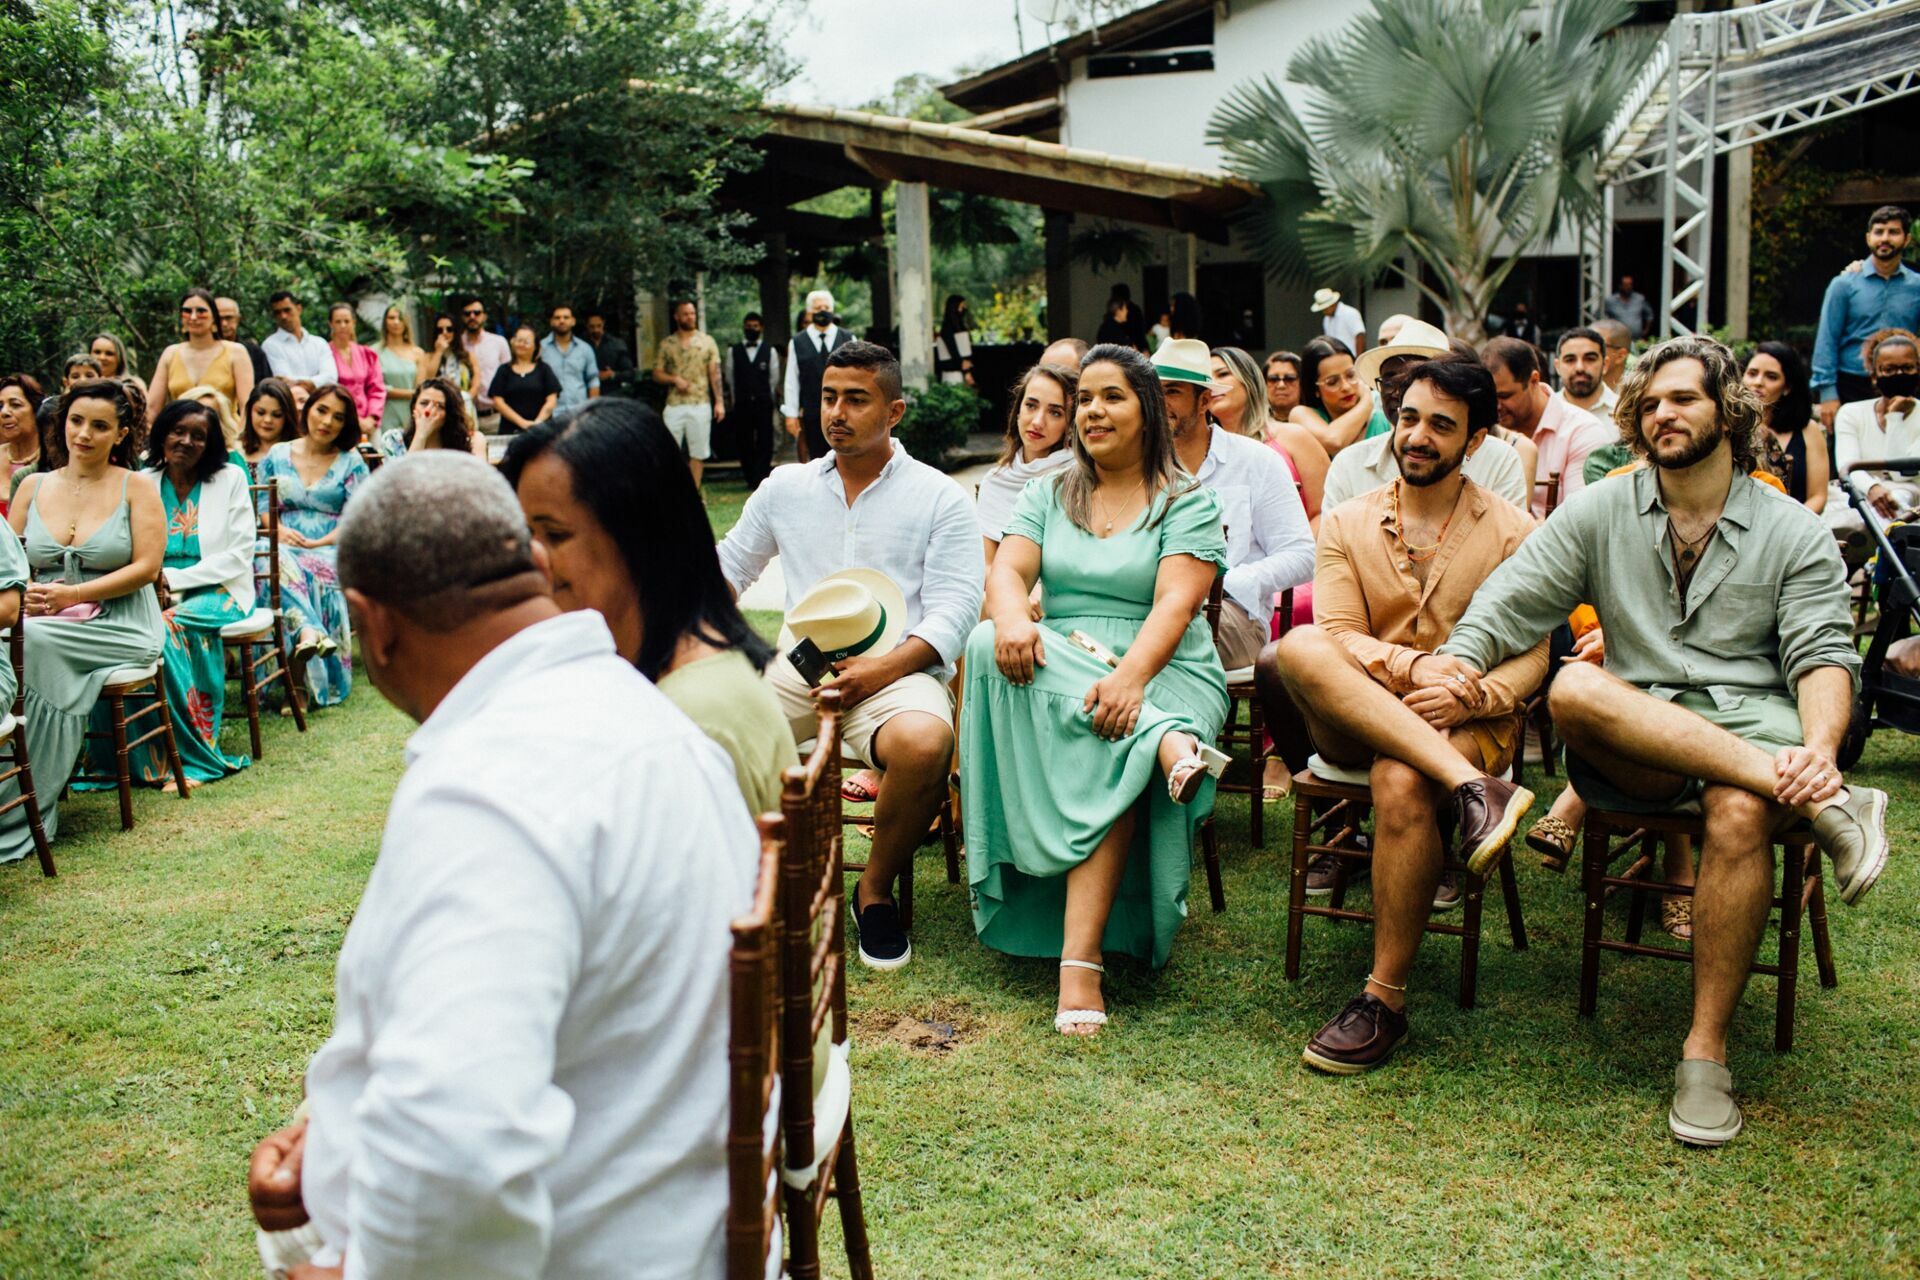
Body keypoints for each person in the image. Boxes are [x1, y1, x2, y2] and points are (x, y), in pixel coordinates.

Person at [248, 453, 755, 1278]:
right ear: (537, 565)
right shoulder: (642, 716)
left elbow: (459, 1143)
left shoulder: (493, 790)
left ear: (371, 623)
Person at [1437, 335, 1887, 1147]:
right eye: (1649, 404)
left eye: (1682, 398)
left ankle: (1705, 1054)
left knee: (1744, 813)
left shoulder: (1792, 529)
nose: (1662, 414)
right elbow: (1512, 600)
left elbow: (1823, 653)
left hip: (1757, 724)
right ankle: (1835, 807)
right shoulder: (1603, 506)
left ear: (1731, 410)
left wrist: (1817, 752)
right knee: (1574, 684)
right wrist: (1458, 664)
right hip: (1633, 744)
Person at [1257, 358, 1544, 1071]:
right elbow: (1341, 636)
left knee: (1400, 777)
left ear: (1476, 442)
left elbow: (1536, 655)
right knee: (1297, 646)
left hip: (1468, 716)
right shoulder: (1347, 522)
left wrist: (1474, 694)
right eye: (1409, 419)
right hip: (1359, 712)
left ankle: (1382, 1000)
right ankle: (1476, 791)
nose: (1417, 436)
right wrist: (1415, 667)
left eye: (1441, 426)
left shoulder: (1514, 531)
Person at [961, 342, 1228, 1035]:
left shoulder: (1186, 501)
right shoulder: (1047, 492)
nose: (1092, 411)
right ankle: (1166, 743)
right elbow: (1007, 574)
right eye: (1085, 398)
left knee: (1107, 727)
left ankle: (1080, 964)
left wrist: (1131, 680)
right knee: (987, 642)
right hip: (1065, 662)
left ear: (1148, 411)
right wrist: (1016, 616)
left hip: (1160, 665)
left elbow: (1175, 607)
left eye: (1112, 396)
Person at [717, 341, 982, 971]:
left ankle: (874, 892)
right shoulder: (786, 487)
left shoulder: (939, 496)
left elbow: (955, 609)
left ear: (894, 411)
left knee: (923, 743)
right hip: (800, 663)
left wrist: (882, 670)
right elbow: (727, 568)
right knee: (709, 726)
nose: (836, 412)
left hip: (899, 668)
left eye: (856, 400)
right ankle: (745, 881)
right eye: (829, 398)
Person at [502, 400, 798, 816]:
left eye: (555, 534)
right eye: (526, 532)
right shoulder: (656, 669)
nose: (533, 557)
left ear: (638, 538)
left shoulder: (688, 723)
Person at [0, 379, 165, 861]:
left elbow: (147, 568)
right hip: (46, 617)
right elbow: (10, 562)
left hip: (120, 623)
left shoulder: (137, 487)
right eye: (76, 421)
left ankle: (23, 808)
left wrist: (72, 593)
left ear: (121, 433)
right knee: (18, 636)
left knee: (31, 644)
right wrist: (28, 592)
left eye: (99, 426)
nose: (84, 434)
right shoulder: (32, 485)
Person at [99, 399, 253, 787]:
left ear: (211, 444)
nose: (185, 441)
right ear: (161, 434)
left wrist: (171, 580)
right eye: (177, 431)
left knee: (168, 627)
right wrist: (152, 581)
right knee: (115, 627)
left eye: (198, 436)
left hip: (219, 590)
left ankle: (194, 754)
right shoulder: (142, 481)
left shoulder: (230, 478)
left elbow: (239, 554)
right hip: (150, 587)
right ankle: (138, 757)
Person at [1154, 340, 1313, 673]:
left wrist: (1230, 583)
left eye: (1171, 392)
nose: (1158, 403)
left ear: (1204, 400)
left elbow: (1302, 555)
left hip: (1232, 616)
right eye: (1152, 392)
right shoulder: (1138, 466)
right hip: (1148, 609)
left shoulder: (1256, 460)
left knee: (1159, 635)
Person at [258, 385, 368, 707]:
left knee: (291, 566)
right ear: (307, 410)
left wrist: (320, 540)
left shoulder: (351, 462)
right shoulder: (277, 455)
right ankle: (308, 633)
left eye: (338, 417)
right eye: (322, 410)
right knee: (266, 560)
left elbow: (357, 516)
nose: (327, 421)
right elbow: (264, 504)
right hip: (282, 543)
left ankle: (301, 684)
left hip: (330, 548)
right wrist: (277, 531)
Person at [1812, 206, 1920, 428]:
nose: (1885, 238)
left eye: (1893, 232)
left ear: (1907, 238)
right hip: (1851, 383)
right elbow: (1827, 339)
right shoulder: (1844, 284)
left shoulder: (1917, 286)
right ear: (1868, 237)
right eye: (1879, 232)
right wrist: (1828, 393)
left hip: (1903, 381)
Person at [1482, 336, 1611, 518]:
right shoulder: (1483, 429)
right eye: (1490, 397)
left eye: (1504, 396)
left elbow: (1581, 520)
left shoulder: (1583, 431)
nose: (1496, 405)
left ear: (1534, 380)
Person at [1210, 346, 1327, 530]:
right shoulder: (1206, 454)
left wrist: (1299, 555)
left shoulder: (1294, 437)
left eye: (1222, 374)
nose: (1213, 385)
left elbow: (1324, 511)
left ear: (1249, 380)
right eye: (1207, 379)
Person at [976, 362, 1078, 569]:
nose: (1038, 421)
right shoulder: (995, 481)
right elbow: (986, 565)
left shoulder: (1080, 477)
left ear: (1070, 425)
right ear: (1018, 410)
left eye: (1055, 412)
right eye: (1031, 405)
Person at [1831, 328, 1920, 523]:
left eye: (1907, 368)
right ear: (1874, 375)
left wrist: (1895, 416)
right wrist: (1872, 488)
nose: (1898, 375)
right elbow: (1847, 465)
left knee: (1897, 505)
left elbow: (1900, 474)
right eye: (1888, 370)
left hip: (1908, 500)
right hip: (1859, 494)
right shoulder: (1850, 413)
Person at [146, 287, 254, 425]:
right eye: (187, 311)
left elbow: (247, 405)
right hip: (180, 434)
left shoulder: (236, 352)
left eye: (201, 311)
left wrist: (243, 440)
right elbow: (152, 408)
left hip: (226, 436)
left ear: (214, 317)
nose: (193, 317)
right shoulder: (170, 353)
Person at [1746, 341, 1827, 513]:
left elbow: (1818, 496)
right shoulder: (1726, 427)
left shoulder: (1808, 430)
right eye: (1752, 373)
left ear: (1787, 387)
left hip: (1797, 526)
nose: (1758, 382)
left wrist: (1791, 526)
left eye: (1771, 377)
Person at [652, 299, 724, 490]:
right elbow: (657, 373)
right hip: (675, 404)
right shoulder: (667, 344)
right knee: (669, 451)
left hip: (700, 402)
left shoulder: (707, 342)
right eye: (685, 313)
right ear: (677, 316)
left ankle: (694, 491)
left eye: (692, 313)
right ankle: (674, 492)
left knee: (698, 452)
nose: (690, 317)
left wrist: (719, 402)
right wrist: (674, 379)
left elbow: (714, 373)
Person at [782, 289, 852, 463]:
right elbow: (792, 380)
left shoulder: (848, 338)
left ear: (832, 310)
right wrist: (790, 414)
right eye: (817, 307)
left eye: (826, 307)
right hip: (813, 411)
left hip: (844, 409)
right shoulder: (797, 342)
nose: (822, 310)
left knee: (844, 453)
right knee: (816, 457)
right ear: (809, 312)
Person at [1355, 318, 1451, 440]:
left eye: (1408, 381)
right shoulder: (1356, 457)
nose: (1396, 392)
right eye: (1388, 382)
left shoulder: (1476, 455)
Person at [1290, 336, 1376, 456]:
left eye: (1351, 375)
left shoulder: (1381, 407)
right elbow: (1334, 441)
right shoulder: (1301, 414)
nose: (1346, 387)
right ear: (1315, 389)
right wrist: (1367, 402)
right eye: (1332, 382)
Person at [725, 311, 781, 490]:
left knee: (765, 440)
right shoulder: (733, 351)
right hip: (742, 403)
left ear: (761, 328)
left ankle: (761, 477)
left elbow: (773, 378)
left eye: (755, 327)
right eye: (749, 327)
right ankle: (749, 478)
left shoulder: (769, 351)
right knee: (744, 440)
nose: (752, 329)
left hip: (763, 403)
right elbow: (730, 378)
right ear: (744, 328)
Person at [489, 324, 562, 436]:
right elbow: (498, 402)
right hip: (509, 431)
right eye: (519, 340)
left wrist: (537, 423)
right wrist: (522, 423)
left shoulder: (544, 369)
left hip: (541, 431)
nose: (521, 344)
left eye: (526, 341)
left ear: (536, 346)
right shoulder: (504, 370)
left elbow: (551, 400)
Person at [324, 302, 386, 430]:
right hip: (337, 421)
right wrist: (353, 420)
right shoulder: (324, 353)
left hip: (368, 423)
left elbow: (377, 388)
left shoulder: (366, 353)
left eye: (347, 321)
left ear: (353, 323)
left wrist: (371, 418)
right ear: (330, 324)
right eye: (338, 321)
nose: (343, 326)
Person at [389, 377, 484, 459]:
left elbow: (478, 477)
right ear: (414, 407)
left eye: (440, 406)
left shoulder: (473, 439)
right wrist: (421, 435)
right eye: (424, 403)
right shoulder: (394, 438)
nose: (428, 411)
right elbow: (405, 477)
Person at [459, 296, 513, 432]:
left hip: (494, 416)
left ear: (484, 316)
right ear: (462, 317)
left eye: (477, 313)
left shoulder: (499, 343)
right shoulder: (456, 345)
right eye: (467, 313)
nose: (472, 317)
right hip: (463, 417)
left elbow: (509, 377)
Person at [261, 292, 338, 384]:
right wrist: (318, 381)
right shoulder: (270, 345)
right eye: (277, 313)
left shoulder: (319, 343)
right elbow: (283, 381)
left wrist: (299, 382)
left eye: (287, 310)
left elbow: (331, 378)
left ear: (299, 309)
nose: (283, 316)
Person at [374, 305, 423, 439]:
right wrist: (410, 393)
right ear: (385, 321)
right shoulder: (374, 352)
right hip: (386, 412)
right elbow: (376, 387)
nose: (396, 322)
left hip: (412, 411)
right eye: (391, 318)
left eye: (400, 318)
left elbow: (420, 388)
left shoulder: (417, 353)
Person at [540, 303, 600, 412]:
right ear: (551, 322)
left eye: (566, 317)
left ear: (573, 321)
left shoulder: (585, 349)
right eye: (557, 318)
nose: (562, 321)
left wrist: (592, 411)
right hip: (549, 414)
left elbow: (593, 380)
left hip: (579, 412)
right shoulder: (540, 349)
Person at [0, 375, 45, 513]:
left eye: (15, 404)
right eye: (0, 406)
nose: (4, 412)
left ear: (36, 410)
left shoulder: (52, 461)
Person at [419, 312, 478, 413]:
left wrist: (466, 399)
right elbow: (426, 380)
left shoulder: (468, 356)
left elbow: (476, 381)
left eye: (449, 329)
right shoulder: (428, 357)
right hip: (439, 408)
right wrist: (439, 351)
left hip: (464, 406)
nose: (445, 333)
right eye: (440, 330)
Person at [1553, 327, 1615, 421]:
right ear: (1557, 367)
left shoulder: (1625, 412)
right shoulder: (1545, 411)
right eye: (1570, 360)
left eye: (1590, 359)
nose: (1580, 368)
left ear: (1605, 365)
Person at [241, 378, 298, 479]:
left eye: (277, 415)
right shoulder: (235, 452)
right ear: (249, 412)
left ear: (287, 417)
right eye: (260, 413)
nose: (267, 420)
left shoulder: (299, 452)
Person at [216, 295, 272, 386]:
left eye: (229, 318)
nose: (224, 324)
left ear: (238, 319)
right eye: (219, 319)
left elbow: (266, 385)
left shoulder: (253, 352)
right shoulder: (202, 351)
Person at [584, 311, 634, 397]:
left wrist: (612, 375)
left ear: (603, 324)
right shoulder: (580, 345)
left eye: (599, 326)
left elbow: (630, 373)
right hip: (586, 394)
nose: (596, 330)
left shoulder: (616, 344)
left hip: (612, 394)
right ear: (587, 326)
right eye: (592, 327)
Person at [935, 294, 976, 387]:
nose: (963, 309)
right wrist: (965, 369)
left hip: (960, 370)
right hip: (952, 373)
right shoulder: (948, 328)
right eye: (961, 307)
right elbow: (953, 349)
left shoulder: (957, 325)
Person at [1313, 288, 1367, 355]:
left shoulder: (1350, 313)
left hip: (1351, 358)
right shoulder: (1326, 319)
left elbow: (1360, 336)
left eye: (1325, 308)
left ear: (1332, 304)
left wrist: (1358, 360)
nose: (1324, 311)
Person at [1094, 283, 1148, 351]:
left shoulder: (1106, 325)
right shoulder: (1111, 329)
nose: (1127, 311)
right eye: (1125, 309)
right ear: (1118, 310)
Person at [1604, 274, 1655, 339]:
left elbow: (1649, 315)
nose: (1628, 287)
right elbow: (1599, 316)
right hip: (1617, 339)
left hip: (1636, 340)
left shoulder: (1639, 299)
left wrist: (1645, 331)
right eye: (1626, 285)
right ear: (1620, 286)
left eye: (1630, 284)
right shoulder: (1610, 301)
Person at [1265, 350, 1303, 420]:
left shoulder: (1318, 419)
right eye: (1273, 379)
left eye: (1289, 378)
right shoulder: (1252, 423)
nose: (1281, 385)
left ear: (1302, 383)